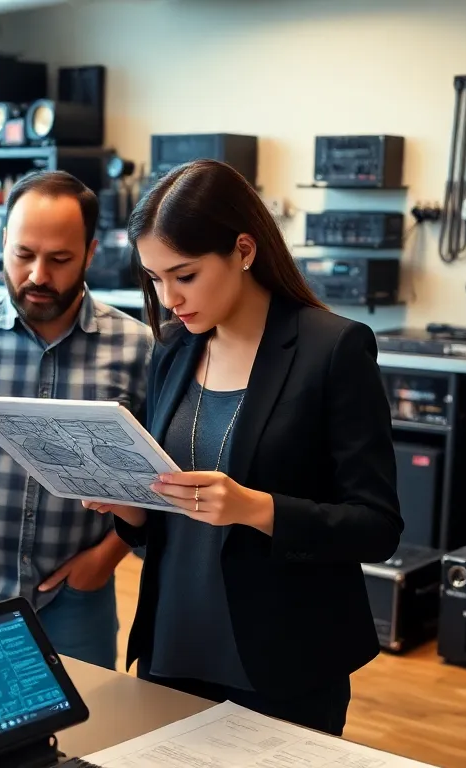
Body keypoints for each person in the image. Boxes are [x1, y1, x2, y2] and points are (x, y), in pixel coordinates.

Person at [85, 159, 402, 735]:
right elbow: (167, 524)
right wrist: (126, 503)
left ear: (245, 250)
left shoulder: (333, 349)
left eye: (184, 275)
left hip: (282, 657)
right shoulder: (174, 349)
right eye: (154, 279)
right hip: (173, 643)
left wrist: (256, 508)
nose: (169, 296)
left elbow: (377, 526)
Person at [0, 170, 155, 669]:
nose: (39, 275)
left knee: (88, 739)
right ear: (4, 243)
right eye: (23, 255)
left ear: (90, 252)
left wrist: (108, 558)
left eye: (59, 259)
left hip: (77, 597)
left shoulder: (137, 349)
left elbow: (160, 481)